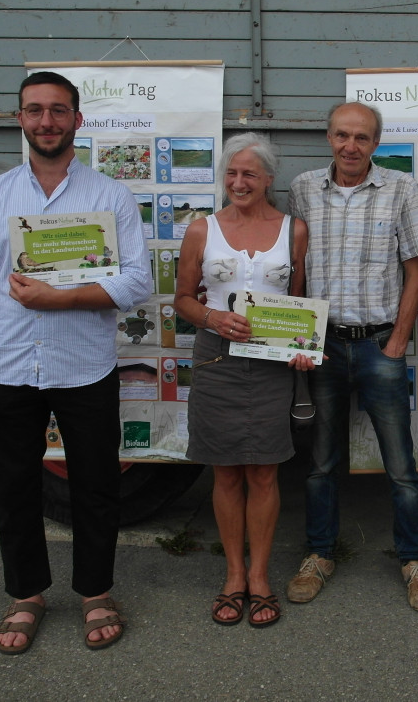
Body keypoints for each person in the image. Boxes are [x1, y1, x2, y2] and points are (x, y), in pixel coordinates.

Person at [0, 71, 152, 654]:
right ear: (20, 119)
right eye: (34, 110)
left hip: (84, 366)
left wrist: (57, 298)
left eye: (58, 111)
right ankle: (27, 594)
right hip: (7, 368)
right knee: (11, 488)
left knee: (95, 488)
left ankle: (95, 592)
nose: (46, 121)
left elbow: (135, 281)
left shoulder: (109, 195)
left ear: (78, 121)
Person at [285, 101, 418, 612]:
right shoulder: (304, 189)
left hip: (380, 345)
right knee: (322, 462)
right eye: (341, 136)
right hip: (324, 345)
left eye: (362, 138)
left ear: (376, 143)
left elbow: (416, 271)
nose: (350, 146)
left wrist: (398, 340)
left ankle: (415, 560)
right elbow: (298, 270)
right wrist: (300, 338)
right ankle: (320, 553)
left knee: (400, 465)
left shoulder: (402, 189)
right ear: (328, 137)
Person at [172, 132, 313, 628]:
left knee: (265, 471)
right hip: (217, 362)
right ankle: (233, 575)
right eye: (231, 173)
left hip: (272, 366)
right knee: (226, 470)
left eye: (249, 174)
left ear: (269, 179)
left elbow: (298, 304)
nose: (239, 182)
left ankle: (260, 576)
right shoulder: (200, 231)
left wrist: (301, 348)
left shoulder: (294, 230)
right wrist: (213, 320)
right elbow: (183, 299)